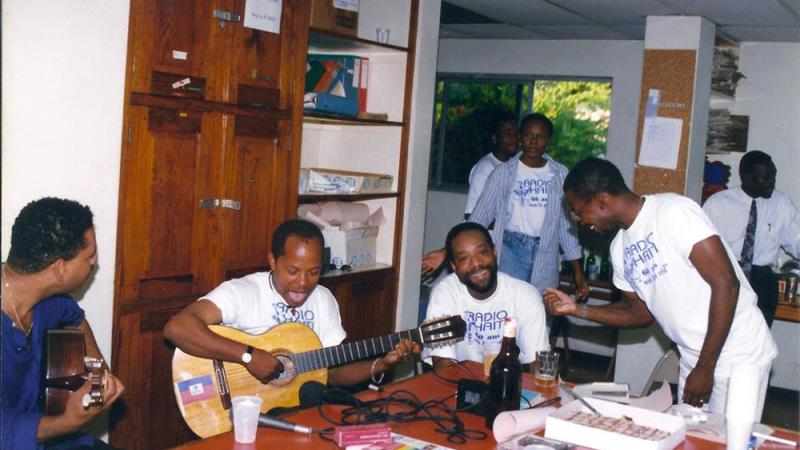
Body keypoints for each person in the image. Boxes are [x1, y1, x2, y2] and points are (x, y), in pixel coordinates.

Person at [544, 158, 777, 416]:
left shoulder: (673, 212)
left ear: (602, 200)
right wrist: (577, 310)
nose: (577, 220)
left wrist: (705, 367)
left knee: (732, 440)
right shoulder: (619, 248)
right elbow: (639, 314)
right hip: (694, 357)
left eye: (578, 211)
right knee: (694, 440)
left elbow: (726, 284)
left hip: (738, 353)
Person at [164, 219, 420, 389]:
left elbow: (330, 374)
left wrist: (382, 365)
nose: (303, 283)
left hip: (295, 407)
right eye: (293, 271)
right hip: (240, 404)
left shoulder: (323, 299)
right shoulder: (242, 292)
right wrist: (247, 356)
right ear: (273, 261)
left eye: (314, 272)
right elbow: (177, 328)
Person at [1, 197, 125, 450]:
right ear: (59, 269)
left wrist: (97, 368)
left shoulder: (46, 299)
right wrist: (67, 422)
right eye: (89, 256)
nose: (95, 262)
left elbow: (73, 314)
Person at [423, 113, 588, 301]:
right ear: (520, 137)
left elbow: (566, 229)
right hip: (510, 251)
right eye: (528, 135)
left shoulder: (560, 174)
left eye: (540, 137)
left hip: (545, 253)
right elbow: (478, 218)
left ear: (548, 141)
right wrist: (446, 251)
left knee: (540, 310)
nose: (533, 141)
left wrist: (578, 273)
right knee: (509, 308)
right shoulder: (502, 173)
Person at [422, 223, 549, 369]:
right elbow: (443, 365)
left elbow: (536, 364)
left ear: (494, 252)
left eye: (482, 253)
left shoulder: (525, 295)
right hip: (460, 384)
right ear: (454, 267)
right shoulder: (445, 293)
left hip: (509, 385)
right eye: (464, 258)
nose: (476, 263)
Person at [703, 150, 800, 327]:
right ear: (747, 177)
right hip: (725, 276)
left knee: (757, 343)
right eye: (766, 177)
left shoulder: (782, 204)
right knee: (718, 334)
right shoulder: (717, 204)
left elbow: (797, 241)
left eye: (774, 176)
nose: (772, 182)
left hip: (762, 282)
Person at [464, 112, 519, 220]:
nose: (513, 138)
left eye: (516, 134)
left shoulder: (514, 165)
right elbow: (470, 213)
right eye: (508, 133)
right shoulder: (486, 167)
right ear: (494, 138)